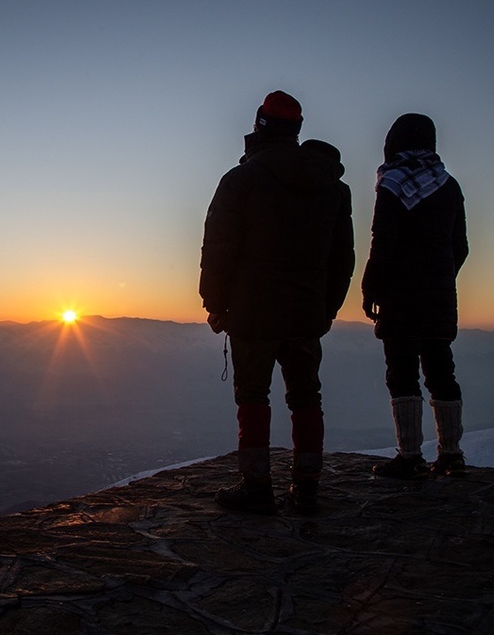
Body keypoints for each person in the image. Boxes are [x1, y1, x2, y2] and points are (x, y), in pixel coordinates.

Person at [199, 90, 355, 513]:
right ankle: (307, 486)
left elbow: (219, 247)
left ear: (259, 126)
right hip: (307, 311)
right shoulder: (332, 188)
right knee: (306, 396)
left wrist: (215, 301)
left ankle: (256, 485)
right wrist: (328, 309)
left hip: (253, 310)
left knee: (252, 395)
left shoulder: (242, 180)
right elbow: (343, 258)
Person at [361, 113, 469, 479]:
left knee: (402, 372)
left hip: (400, 293)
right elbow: (462, 246)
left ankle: (409, 457)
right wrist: (441, 276)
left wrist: (371, 287)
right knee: (441, 370)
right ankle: (451, 455)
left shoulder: (392, 183)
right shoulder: (449, 185)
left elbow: (383, 241)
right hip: (439, 294)